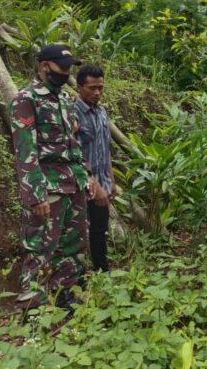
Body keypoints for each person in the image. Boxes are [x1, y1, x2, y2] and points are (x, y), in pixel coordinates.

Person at [10, 44, 98, 316]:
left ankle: (66, 297)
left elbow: (72, 145)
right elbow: (26, 152)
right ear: (45, 66)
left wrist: (87, 175)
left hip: (74, 184)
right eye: (63, 68)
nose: (67, 73)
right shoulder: (26, 99)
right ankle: (31, 312)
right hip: (48, 188)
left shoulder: (64, 100)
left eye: (70, 68)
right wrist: (35, 196)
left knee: (74, 245)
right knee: (39, 249)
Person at [74, 65, 114, 272]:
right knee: (77, 232)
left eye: (100, 88)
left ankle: (101, 273)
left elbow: (105, 148)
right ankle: (76, 277)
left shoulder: (101, 112)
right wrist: (94, 184)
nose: (97, 93)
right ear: (79, 87)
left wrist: (111, 181)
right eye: (92, 88)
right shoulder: (72, 114)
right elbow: (72, 152)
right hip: (81, 183)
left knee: (99, 230)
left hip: (103, 181)